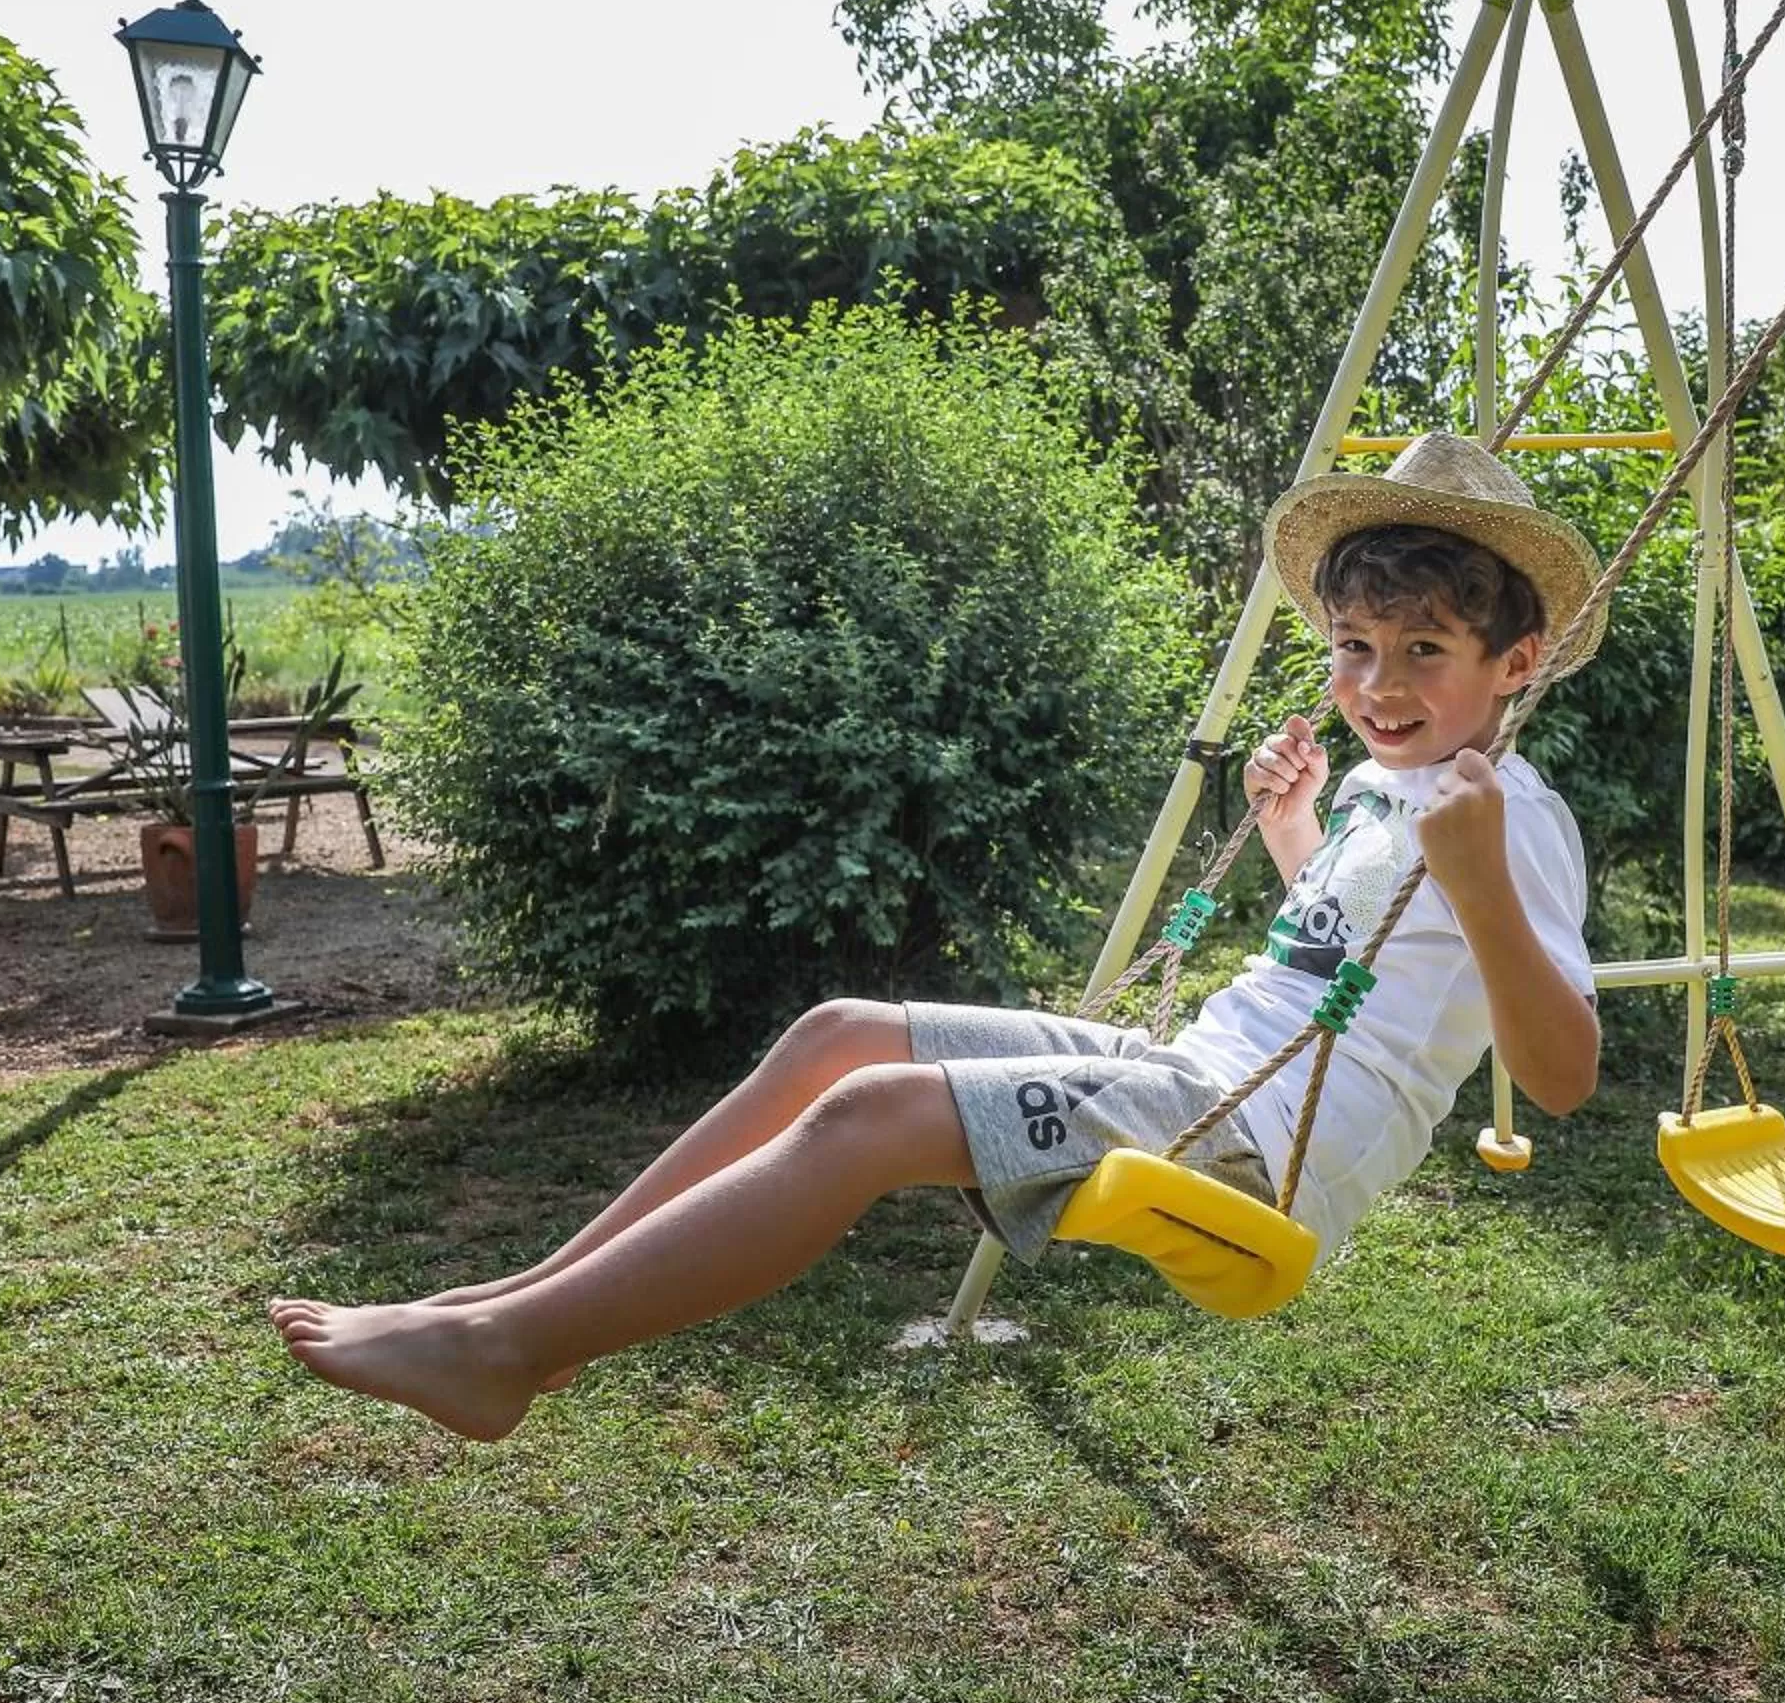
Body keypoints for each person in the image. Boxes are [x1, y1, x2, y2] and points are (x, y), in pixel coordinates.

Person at [270, 432, 1604, 1441]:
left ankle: (506, 1348)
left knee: (870, 1115)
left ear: (1517, 660)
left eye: (1426, 649)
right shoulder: (1388, 784)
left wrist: (1484, 880)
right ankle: (530, 1315)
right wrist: (1296, 832)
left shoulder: (1513, 817)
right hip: (1207, 1070)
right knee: (837, 1034)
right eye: (1355, 644)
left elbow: (1561, 1075)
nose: (1379, 685)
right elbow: (1358, 960)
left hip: (1256, 1145)